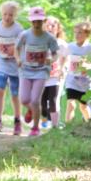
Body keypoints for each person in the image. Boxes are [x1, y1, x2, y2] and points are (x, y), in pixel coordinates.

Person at [15, 7, 59, 136]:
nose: (36, 24)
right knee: (24, 99)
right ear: (30, 21)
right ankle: (31, 110)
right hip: (25, 70)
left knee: (35, 100)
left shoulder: (49, 38)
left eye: (39, 21)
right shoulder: (25, 35)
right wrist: (18, 59)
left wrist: (51, 60)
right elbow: (16, 49)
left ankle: (35, 128)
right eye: (34, 21)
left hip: (41, 71)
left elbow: (56, 54)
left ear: (43, 21)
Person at [0, 0, 24, 133]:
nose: (7, 17)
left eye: (10, 15)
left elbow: (23, 44)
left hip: (14, 65)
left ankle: (17, 121)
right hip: (1, 63)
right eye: (5, 14)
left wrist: (16, 52)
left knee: (15, 94)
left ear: (15, 16)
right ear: (1, 14)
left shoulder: (18, 29)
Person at [65, 21, 91, 124]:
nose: (77, 35)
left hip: (85, 83)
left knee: (83, 106)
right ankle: (68, 126)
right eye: (75, 32)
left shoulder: (90, 48)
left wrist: (87, 66)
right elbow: (63, 58)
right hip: (72, 80)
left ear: (87, 34)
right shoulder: (70, 46)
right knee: (71, 104)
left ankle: (88, 124)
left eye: (80, 33)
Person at [41, 16, 68, 129]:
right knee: (41, 101)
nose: (50, 28)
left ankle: (55, 125)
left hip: (55, 77)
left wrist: (61, 69)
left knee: (53, 100)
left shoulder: (61, 43)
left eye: (53, 26)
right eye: (48, 25)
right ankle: (44, 120)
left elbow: (65, 58)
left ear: (58, 29)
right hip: (42, 77)